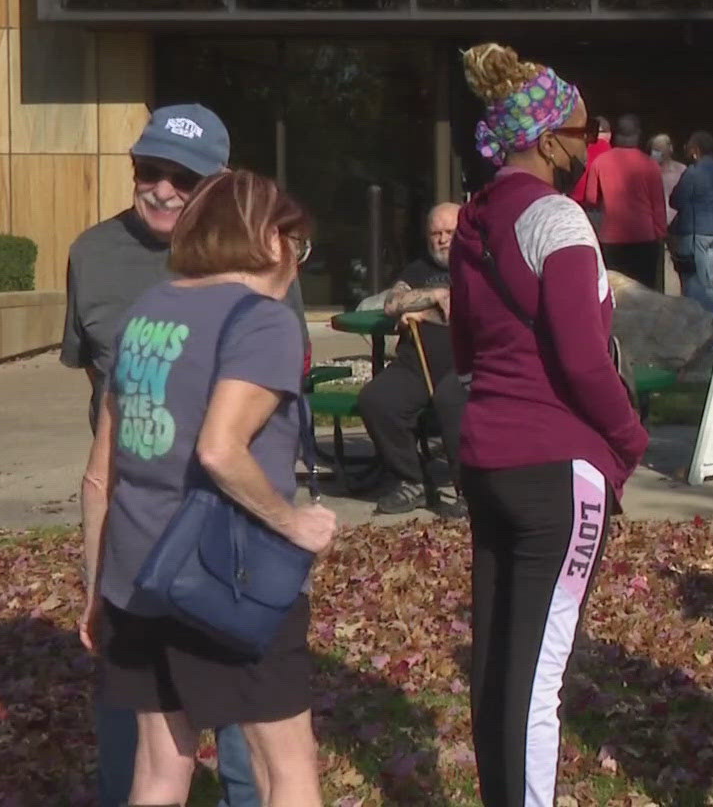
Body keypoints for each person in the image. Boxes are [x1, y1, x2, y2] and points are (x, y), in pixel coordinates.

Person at [78, 168, 338, 807]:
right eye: (297, 244)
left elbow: (97, 475)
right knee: (287, 769)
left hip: (136, 576)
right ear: (271, 240)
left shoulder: (146, 312)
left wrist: (95, 593)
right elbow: (221, 450)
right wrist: (292, 522)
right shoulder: (264, 321)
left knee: (160, 770)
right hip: (230, 579)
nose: (297, 261)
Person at [62, 103, 287, 807]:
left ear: (216, 186)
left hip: (228, 549)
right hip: (135, 542)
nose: (160, 189)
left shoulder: (260, 260)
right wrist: (96, 579)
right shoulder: (92, 255)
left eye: (181, 179)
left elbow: (262, 416)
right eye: (148, 171)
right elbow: (100, 432)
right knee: (135, 750)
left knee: (252, 749)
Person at [451, 43, 649, 807]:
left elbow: (466, 348)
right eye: (582, 127)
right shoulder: (558, 218)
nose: (589, 141)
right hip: (558, 466)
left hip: (489, 458)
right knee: (539, 676)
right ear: (544, 139)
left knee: (500, 659)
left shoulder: (475, 220)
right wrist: (627, 441)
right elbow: (583, 356)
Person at [358, 203, 467, 519]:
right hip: (416, 364)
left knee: (453, 401)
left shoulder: (479, 266)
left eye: (450, 232)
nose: (442, 240)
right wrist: (433, 296)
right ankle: (411, 481)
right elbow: (393, 303)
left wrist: (425, 314)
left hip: (464, 364)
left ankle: (468, 491)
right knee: (377, 399)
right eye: (435, 234)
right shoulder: (418, 270)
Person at [577, 114, 669, 289]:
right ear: (639, 134)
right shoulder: (650, 165)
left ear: (616, 134)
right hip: (645, 237)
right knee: (645, 292)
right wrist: (660, 234)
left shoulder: (600, 162)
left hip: (612, 238)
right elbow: (658, 206)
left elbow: (590, 198)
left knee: (615, 293)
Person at [668, 130, 713, 314]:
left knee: (697, 284)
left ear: (695, 150)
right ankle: (709, 322)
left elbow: (677, 200)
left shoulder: (693, 172)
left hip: (697, 230)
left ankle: (702, 325)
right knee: (707, 281)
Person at [648, 132, 688, 227]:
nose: (657, 153)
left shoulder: (681, 169)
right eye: (654, 149)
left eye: (660, 149)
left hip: (677, 222)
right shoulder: (646, 170)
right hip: (653, 222)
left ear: (670, 149)